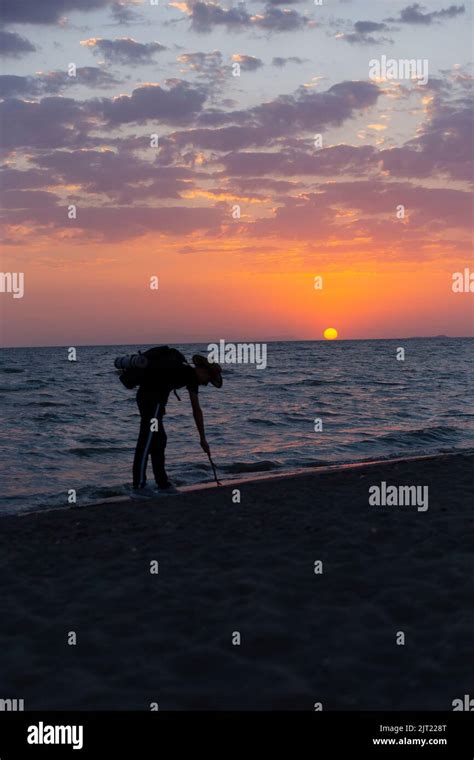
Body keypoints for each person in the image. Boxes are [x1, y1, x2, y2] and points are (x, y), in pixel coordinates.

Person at [132, 352, 222, 499]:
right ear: (204, 371)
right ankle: (138, 486)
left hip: (151, 401)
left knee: (159, 440)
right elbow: (196, 410)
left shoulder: (185, 371)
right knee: (147, 440)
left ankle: (162, 484)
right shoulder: (191, 376)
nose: (204, 384)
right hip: (152, 401)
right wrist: (203, 439)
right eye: (207, 381)